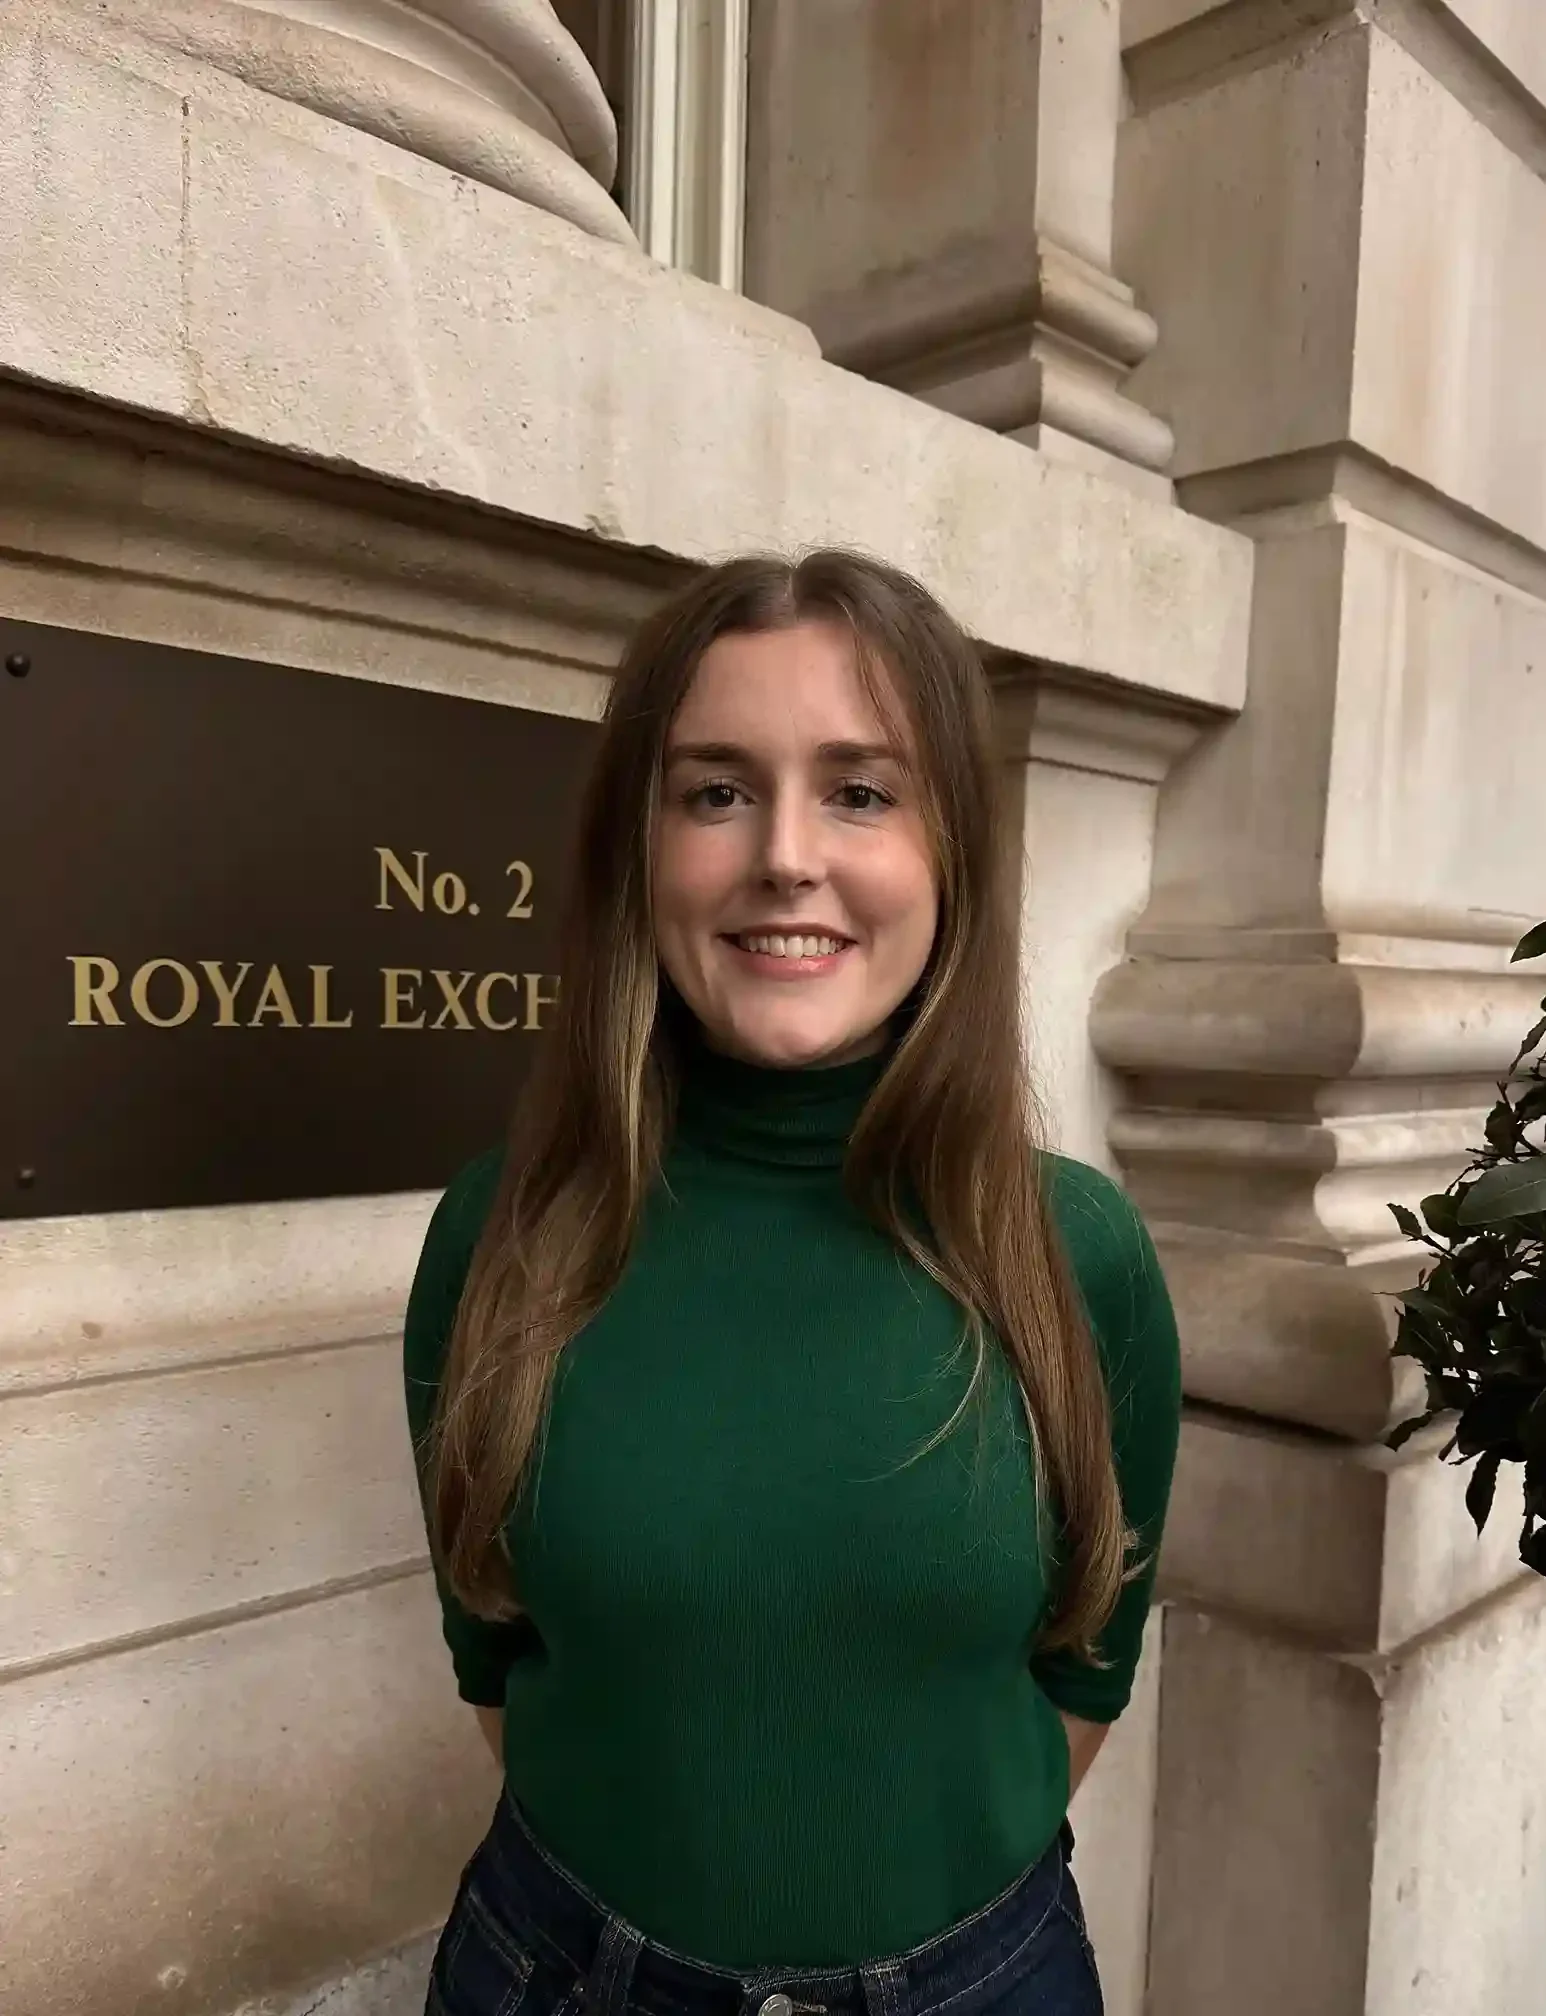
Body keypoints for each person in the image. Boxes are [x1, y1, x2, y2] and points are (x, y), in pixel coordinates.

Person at [403, 550, 1181, 2016]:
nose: (785, 855)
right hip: (564, 1975)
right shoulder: (501, 1236)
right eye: (715, 791)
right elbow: (491, 1650)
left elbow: (1087, 1667)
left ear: (950, 851)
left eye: (860, 791)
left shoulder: (1077, 1255)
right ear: (638, 851)